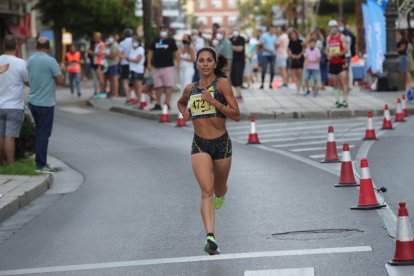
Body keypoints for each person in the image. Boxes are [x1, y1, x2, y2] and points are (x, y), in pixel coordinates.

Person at [177, 47, 240, 255]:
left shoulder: (221, 85)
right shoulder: (190, 88)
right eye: (201, 60)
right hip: (200, 144)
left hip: (222, 144)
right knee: (206, 191)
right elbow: (180, 102)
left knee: (218, 190)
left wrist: (214, 102)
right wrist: (184, 112)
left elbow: (237, 115)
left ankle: (221, 193)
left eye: (208, 61)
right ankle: (210, 238)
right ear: (197, 63)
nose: (205, 64)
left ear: (214, 64)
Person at [27, 37, 64, 172]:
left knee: (39, 132)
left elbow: (28, 80)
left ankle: (39, 161)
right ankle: (41, 164)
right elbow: (60, 81)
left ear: (37, 47)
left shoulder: (30, 60)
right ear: (48, 48)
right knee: (43, 133)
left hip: (32, 101)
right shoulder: (50, 61)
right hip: (46, 103)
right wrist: (61, 70)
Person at [0, 35, 28, 166]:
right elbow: (28, 81)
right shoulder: (21, 63)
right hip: (14, 106)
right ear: (16, 47)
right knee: (9, 137)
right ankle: (10, 165)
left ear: (3, 46)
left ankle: (0, 164)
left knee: (0, 136)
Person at [148, 25, 179, 110]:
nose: (163, 31)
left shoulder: (171, 41)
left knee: (168, 86)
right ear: (159, 31)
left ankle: (167, 103)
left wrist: (178, 63)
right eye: (161, 30)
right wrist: (149, 63)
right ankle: (158, 104)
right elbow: (150, 52)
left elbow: (176, 52)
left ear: (167, 31)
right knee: (158, 86)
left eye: (165, 29)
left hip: (168, 67)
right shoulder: (156, 40)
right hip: (156, 67)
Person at [326, 20, 349, 108]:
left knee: (343, 79)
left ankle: (345, 100)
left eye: (334, 27)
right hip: (332, 62)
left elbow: (346, 50)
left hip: (341, 61)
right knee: (334, 82)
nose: (333, 29)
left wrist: (338, 53)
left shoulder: (342, 37)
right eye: (331, 27)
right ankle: (337, 100)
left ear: (337, 27)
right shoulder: (329, 38)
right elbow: (326, 50)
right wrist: (328, 55)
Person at [124, 37, 145, 106]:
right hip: (132, 69)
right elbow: (131, 59)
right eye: (133, 41)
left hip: (138, 70)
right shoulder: (133, 49)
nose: (134, 43)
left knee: (138, 86)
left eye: (136, 41)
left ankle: (140, 99)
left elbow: (137, 60)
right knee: (135, 86)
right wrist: (128, 58)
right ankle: (137, 98)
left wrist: (128, 58)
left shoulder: (140, 49)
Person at [88, 32, 106, 98]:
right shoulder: (98, 44)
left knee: (101, 78)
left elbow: (99, 54)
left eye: (95, 38)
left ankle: (102, 92)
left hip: (100, 63)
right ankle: (101, 91)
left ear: (98, 38)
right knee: (99, 78)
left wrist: (91, 52)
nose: (94, 39)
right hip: (97, 63)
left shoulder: (101, 44)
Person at [230, 29, 245, 102]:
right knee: (233, 78)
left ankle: (239, 95)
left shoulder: (241, 39)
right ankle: (236, 94)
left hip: (240, 61)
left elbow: (240, 49)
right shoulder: (230, 39)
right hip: (231, 61)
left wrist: (232, 47)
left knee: (238, 77)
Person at [288, 29, 305, 94]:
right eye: (291, 34)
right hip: (293, 58)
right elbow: (289, 50)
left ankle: (301, 86)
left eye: (294, 34)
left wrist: (299, 55)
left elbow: (304, 49)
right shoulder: (290, 42)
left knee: (300, 73)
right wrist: (292, 55)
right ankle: (297, 88)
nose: (293, 35)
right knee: (295, 74)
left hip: (300, 58)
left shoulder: (300, 41)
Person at [119, 28, 134, 103]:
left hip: (124, 63)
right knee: (135, 81)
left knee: (125, 81)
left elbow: (120, 54)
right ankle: (135, 96)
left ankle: (128, 97)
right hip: (134, 63)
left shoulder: (122, 43)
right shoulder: (134, 41)